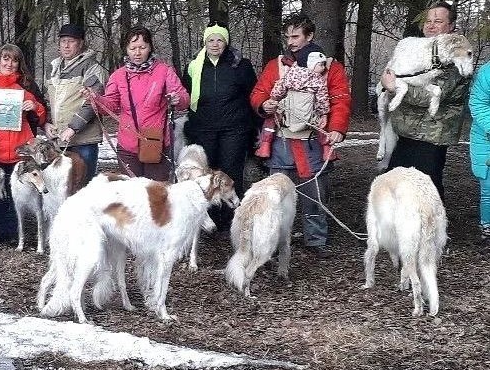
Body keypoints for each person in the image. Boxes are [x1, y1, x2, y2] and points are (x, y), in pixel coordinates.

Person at [251, 13, 351, 259]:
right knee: (275, 196)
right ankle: (272, 242)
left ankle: (316, 241)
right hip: (281, 139)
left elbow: (340, 99)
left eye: (295, 36)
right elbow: (259, 92)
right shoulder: (276, 65)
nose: (291, 42)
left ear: (310, 36)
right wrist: (264, 105)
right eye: (288, 37)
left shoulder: (330, 67)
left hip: (313, 141)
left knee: (315, 194)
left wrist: (337, 128)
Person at [380, 0, 470, 199]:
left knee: (427, 191)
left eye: (438, 21)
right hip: (406, 133)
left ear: (451, 26)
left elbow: (427, 96)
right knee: (395, 186)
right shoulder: (418, 50)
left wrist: (394, 87)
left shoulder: (454, 57)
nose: (430, 25)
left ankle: (433, 229)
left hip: (431, 137)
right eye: (428, 21)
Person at [182, 24, 257, 229]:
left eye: (219, 40)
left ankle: (233, 218)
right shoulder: (194, 66)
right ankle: (210, 218)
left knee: (231, 172)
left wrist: (254, 128)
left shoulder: (240, 65)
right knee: (207, 174)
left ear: (226, 42)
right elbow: (185, 96)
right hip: (203, 128)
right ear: (204, 43)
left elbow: (253, 95)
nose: (215, 44)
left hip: (234, 129)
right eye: (211, 40)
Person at [96, 26, 189, 181]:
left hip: (156, 142)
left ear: (150, 47)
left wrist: (177, 99)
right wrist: (96, 100)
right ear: (126, 49)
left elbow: (184, 99)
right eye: (132, 48)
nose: (137, 53)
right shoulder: (118, 76)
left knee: (156, 194)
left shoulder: (164, 71)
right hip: (127, 145)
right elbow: (110, 106)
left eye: (142, 47)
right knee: (131, 195)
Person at [0, 43, 47, 245]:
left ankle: (24, 231)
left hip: (21, 150)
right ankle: (5, 233)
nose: (9, 63)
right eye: (6, 59)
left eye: (14, 60)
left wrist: (35, 107)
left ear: (19, 64)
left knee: (24, 191)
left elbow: (41, 117)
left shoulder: (27, 86)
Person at [43, 23, 104, 185]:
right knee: (60, 187)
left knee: (82, 188)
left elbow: (92, 102)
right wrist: (46, 122)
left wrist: (73, 128)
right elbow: (47, 100)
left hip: (84, 141)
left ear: (81, 43)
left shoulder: (91, 67)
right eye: (63, 41)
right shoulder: (53, 68)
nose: (66, 45)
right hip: (59, 139)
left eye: (71, 41)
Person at [467, 62, 490, 247]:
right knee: (489, 188)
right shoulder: (487, 72)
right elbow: (477, 103)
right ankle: (487, 231)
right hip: (486, 138)